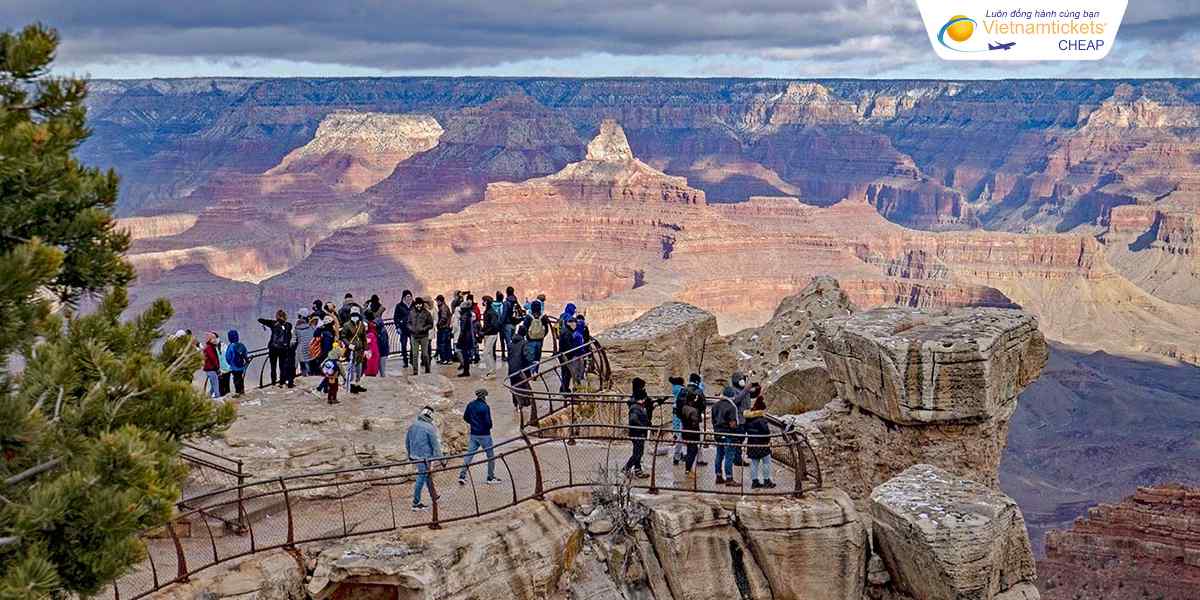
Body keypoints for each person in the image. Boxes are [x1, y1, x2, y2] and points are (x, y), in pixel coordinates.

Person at [458, 389, 503, 485]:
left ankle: (462, 475)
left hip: (474, 434)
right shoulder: (485, 407)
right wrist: (486, 427)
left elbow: (465, 417)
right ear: (484, 396)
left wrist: (473, 424)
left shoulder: (470, 404)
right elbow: (488, 423)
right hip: (485, 435)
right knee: (490, 457)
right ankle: (490, 478)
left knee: (469, 455)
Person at [405, 406, 443, 511]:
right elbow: (436, 446)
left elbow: (407, 442)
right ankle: (415, 503)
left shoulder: (413, 425)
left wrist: (409, 454)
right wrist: (442, 460)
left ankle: (433, 495)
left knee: (427, 475)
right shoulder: (430, 428)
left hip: (415, 456)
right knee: (421, 478)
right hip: (425, 458)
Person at [711, 385, 743, 487]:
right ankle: (729, 478)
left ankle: (718, 476)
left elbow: (713, 420)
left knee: (719, 455)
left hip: (718, 433)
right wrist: (737, 431)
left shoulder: (715, 405)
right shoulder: (731, 406)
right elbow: (732, 423)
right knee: (729, 456)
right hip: (729, 434)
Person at [744, 394, 775, 489]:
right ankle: (766, 481)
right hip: (762, 443)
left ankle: (755, 481)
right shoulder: (761, 419)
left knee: (754, 463)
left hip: (752, 443)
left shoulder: (748, 418)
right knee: (766, 462)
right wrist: (768, 440)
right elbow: (766, 432)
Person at [258, 309, 293, 388]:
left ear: (277, 316)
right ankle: (281, 382)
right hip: (283, 349)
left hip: (273, 348)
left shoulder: (273, 323)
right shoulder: (289, 325)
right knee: (282, 366)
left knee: (273, 366)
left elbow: (260, 320)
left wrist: (266, 322)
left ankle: (273, 382)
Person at [623, 381, 651, 479]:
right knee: (637, 453)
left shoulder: (638, 407)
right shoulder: (636, 408)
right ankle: (626, 468)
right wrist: (642, 426)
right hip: (637, 433)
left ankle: (637, 470)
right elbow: (633, 419)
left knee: (638, 453)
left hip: (638, 433)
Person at [679, 385, 704, 478]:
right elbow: (695, 422)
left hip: (685, 431)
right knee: (692, 451)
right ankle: (688, 470)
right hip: (692, 432)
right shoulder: (693, 411)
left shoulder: (684, 407)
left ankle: (688, 469)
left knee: (690, 450)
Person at [341, 308, 368, 394]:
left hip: (359, 350)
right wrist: (348, 344)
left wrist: (366, 349)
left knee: (359, 368)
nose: (355, 317)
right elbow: (343, 336)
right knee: (351, 368)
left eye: (356, 315)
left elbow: (364, 338)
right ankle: (351, 385)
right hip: (351, 350)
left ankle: (357, 384)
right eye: (353, 315)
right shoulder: (346, 325)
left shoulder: (361, 325)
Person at [522, 300, 551, 372]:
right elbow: (546, 329)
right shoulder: (543, 317)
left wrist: (527, 336)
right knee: (537, 357)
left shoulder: (528, 317)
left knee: (530, 356)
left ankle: (530, 372)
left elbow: (524, 328)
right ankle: (535, 371)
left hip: (530, 340)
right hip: (540, 340)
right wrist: (542, 336)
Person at [408, 297, 434, 374]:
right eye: (417, 304)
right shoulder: (411, 313)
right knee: (415, 354)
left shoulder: (426, 313)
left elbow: (430, 324)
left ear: (422, 304)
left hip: (424, 336)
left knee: (425, 354)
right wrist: (411, 328)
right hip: (414, 336)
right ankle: (415, 371)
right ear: (415, 304)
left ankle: (427, 369)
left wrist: (424, 328)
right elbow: (408, 323)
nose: (418, 306)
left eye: (420, 304)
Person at [507, 329, 532, 408]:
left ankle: (516, 403)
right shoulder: (524, 343)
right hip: (522, 369)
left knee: (514, 386)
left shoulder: (510, 344)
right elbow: (526, 356)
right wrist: (531, 362)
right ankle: (524, 403)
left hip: (511, 369)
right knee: (523, 386)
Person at [479, 295, 501, 379]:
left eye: (483, 301)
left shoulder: (491, 312)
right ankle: (492, 371)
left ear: (486, 302)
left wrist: (484, 332)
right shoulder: (489, 311)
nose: (483, 303)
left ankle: (490, 371)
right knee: (490, 353)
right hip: (488, 334)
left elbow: (493, 325)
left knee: (486, 353)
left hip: (492, 334)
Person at [557, 316, 579, 394]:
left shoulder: (565, 330)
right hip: (565, 356)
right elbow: (568, 346)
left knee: (565, 373)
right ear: (571, 324)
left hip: (563, 354)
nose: (576, 325)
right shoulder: (567, 333)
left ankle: (563, 388)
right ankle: (564, 390)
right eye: (575, 324)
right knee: (567, 373)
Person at [224, 329, 249, 397]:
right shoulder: (241, 345)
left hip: (234, 367)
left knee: (236, 379)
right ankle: (242, 390)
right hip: (241, 366)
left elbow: (228, 357)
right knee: (240, 378)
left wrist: (230, 363)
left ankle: (237, 392)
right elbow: (246, 354)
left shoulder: (231, 346)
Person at [393, 290, 414, 370]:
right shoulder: (399, 306)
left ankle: (412, 360)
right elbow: (396, 317)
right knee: (404, 345)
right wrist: (398, 326)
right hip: (403, 329)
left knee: (413, 345)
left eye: (410, 296)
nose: (409, 298)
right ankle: (405, 361)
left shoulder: (414, 304)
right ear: (404, 297)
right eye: (407, 297)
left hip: (412, 329)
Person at [669, 376, 687, 465]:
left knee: (678, 435)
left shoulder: (675, 388)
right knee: (681, 436)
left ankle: (679, 454)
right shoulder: (681, 389)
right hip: (681, 414)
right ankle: (678, 456)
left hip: (676, 413)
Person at [455, 303, 475, 377]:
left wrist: (459, 339)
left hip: (464, 339)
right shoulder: (469, 315)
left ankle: (466, 371)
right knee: (466, 355)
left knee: (464, 355)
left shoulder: (464, 317)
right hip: (469, 338)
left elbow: (462, 330)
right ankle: (466, 370)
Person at [295, 310, 315, 377]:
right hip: (310, 348)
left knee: (303, 364)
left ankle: (305, 374)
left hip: (301, 349)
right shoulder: (311, 327)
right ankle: (310, 373)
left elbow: (293, 341)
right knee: (310, 363)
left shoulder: (296, 329)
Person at [202, 331, 221, 399]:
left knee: (213, 386)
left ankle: (207, 398)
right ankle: (217, 398)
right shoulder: (209, 348)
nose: (215, 340)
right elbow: (213, 359)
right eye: (214, 338)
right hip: (211, 369)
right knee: (216, 385)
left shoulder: (209, 347)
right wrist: (217, 368)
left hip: (210, 369)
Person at [435, 294, 453, 365]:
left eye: (437, 301)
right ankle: (449, 359)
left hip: (443, 329)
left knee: (442, 344)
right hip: (446, 328)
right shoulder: (445, 307)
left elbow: (443, 318)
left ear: (440, 301)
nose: (436, 302)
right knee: (447, 344)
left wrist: (438, 324)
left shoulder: (443, 308)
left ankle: (444, 359)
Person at [374, 311, 390, 376]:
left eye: (375, 324)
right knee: (381, 369)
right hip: (383, 352)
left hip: (382, 353)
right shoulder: (380, 330)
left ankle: (384, 381)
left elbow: (382, 343)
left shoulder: (382, 332)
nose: (374, 325)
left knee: (382, 369)